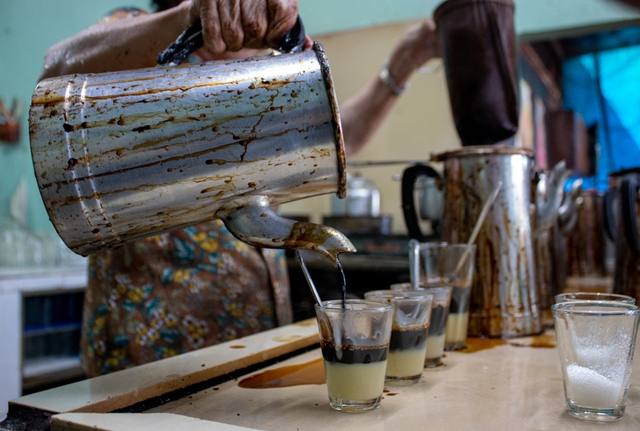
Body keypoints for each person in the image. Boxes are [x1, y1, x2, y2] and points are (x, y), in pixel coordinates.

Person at [39, 0, 440, 377]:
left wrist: (400, 68)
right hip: (148, 353)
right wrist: (191, 15)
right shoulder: (140, 37)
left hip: (245, 346)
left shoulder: (267, 61)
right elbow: (56, 71)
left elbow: (330, 142)